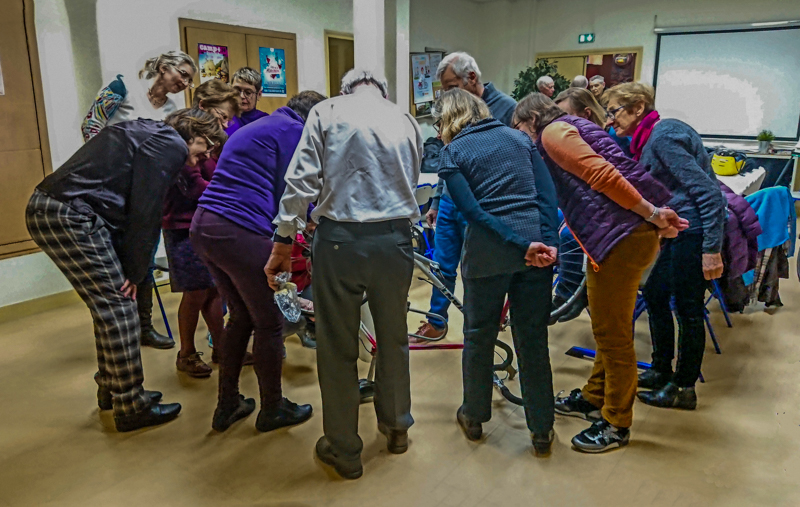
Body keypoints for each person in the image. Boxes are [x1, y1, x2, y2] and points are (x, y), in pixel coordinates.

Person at [266, 69, 423, 480]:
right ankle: (397, 427)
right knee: (394, 338)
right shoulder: (403, 117)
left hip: (340, 241)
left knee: (337, 346)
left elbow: (301, 180)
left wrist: (283, 242)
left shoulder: (327, 111)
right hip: (395, 240)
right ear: (382, 91)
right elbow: (411, 176)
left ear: (345, 90)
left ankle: (345, 449)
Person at [26, 109, 225, 432]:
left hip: (56, 209)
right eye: (208, 144)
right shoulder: (171, 144)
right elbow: (145, 209)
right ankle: (131, 404)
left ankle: (112, 387)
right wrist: (135, 272)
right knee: (119, 306)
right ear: (194, 133)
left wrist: (131, 267)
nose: (207, 154)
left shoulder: (150, 133)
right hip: (69, 213)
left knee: (108, 307)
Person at [512, 93, 688, 453]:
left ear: (530, 119)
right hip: (623, 235)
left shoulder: (552, 133)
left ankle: (616, 422)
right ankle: (594, 396)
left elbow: (603, 175)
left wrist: (652, 214)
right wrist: (652, 216)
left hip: (619, 238)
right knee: (608, 326)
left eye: (518, 128)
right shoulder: (575, 126)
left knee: (613, 334)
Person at [434, 88, 560, 456]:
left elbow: (473, 213)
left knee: (479, 336)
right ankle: (542, 429)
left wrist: (520, 245)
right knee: (533, 339)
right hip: (536, 255)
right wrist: (547, 245)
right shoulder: (520, 139)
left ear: (448, 119)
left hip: (487, 258)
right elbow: (547, 196)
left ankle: (474, 417)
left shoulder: (452, 152)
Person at [192, 90, 326, 432]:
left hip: (205, 225)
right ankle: (273, 408)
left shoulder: (260, 127)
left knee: (240, 316)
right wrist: (315, 217)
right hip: (239, 229)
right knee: (269, 322)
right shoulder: (294, 131)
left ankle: (228, 404)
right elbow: (294, 190)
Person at [605, 82, 727, 409]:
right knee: (656, 292)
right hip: (678, 230)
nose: (610, 119)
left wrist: (711, 249)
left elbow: (708, 192)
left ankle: (684, 387)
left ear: (638, 108)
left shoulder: (663, 137)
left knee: (688, 309)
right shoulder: (647, 141)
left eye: (615, 111)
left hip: (694, 231)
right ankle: (661, 369)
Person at [81, 50, 198, 350]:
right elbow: (91, 124)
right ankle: (120, 328)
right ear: (164, 67)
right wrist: (106, 166)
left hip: (145, 190)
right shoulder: (122, 87)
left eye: (189, 80)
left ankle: (144, 326)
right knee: (112, 259)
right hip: (110, 187)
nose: (185, 83)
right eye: (182, 74)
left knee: (142, 256)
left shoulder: (172, 109)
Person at [416, 51, 517, 341]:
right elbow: (449, 154)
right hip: (450, 201)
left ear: (471, 77)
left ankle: (480, 328)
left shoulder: (507, 109)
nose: (447, 95)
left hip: (484, 205)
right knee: (442, 266)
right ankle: (436, 322)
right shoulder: (453, 109)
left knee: (478, 272)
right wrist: (437, 200)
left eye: (451, 86)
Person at [161, 80, 240, 378]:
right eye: (222, 116)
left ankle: (222, 347)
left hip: (205, 225)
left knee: (215, 289)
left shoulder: (208, 143)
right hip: (182, 228)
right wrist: (230, 191)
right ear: (204, 108)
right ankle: (186, 353)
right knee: (194, 294)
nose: (226, 124)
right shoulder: (184, 142)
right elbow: (196, 187)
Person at [226, 67, 269, 137]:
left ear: (259, 95)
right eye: (236, 90)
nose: (241, 96)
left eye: (248, 93)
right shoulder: (223, 118)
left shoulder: (265, 121)